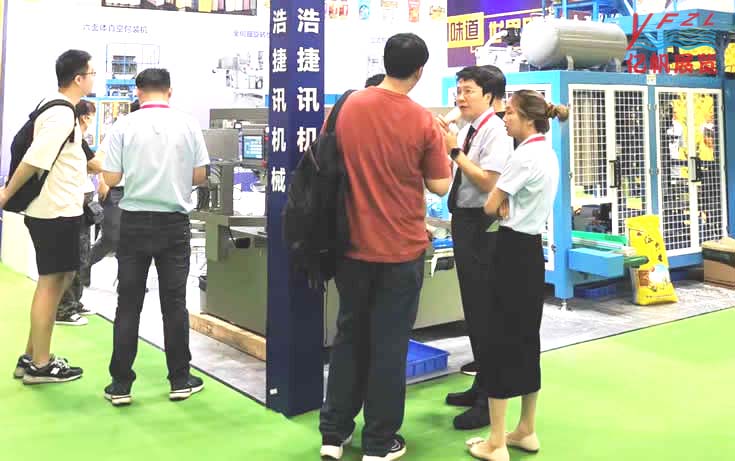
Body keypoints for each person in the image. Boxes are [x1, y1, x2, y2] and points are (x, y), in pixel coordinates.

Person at [319, 33, 451, 461]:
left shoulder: (346, 106)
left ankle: (333, 434)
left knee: (349, 337)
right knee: (389, 347)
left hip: (349, 246)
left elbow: (325, 158)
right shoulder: (422, 121)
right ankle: (378, 442)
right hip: (401, 251)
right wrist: (449, 148)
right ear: (420, 71)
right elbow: (440, 185)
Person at [464, 90, 567, 461]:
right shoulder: (548, 153)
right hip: (531, 252)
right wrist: (505, 200)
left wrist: (500, 202)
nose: (503, 118)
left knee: (498, 342)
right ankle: (526, 429)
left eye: (508, 112)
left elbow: (491, 205)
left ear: (527, 118)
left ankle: (496, 442)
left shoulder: (522, 156)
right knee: (525, 339)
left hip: (509, 253)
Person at [102, 69, 210, 406]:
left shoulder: (123, 126)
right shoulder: (188, 124)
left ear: (137, 92)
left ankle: (121, 384)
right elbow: (200, 175)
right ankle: (180, 379)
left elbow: (111, 177)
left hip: (134, 222)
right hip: (174, 223)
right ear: (170, 91)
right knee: (174, 304)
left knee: (128, 304)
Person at [1, 49, 95, 384]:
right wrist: (7, 193)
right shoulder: (61, 114)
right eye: (91, 74)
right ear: (78, 78)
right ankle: (41, 365)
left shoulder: (59, 109)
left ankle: (32, 356)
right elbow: (34, 159)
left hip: (59, 209)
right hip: (54, 211)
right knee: (51, 283)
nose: (94, 79)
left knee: (59, 279)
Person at [438, 65, 513, 430]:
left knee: (485, 313)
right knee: (473, 309)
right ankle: (480, 384)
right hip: (465, 223)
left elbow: (488, 183)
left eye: (468, 91)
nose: (460, 97)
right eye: (459, 90)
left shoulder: (495, 131)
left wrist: (455, 152)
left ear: (489, 96)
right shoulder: (472, 127)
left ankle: (488, 401)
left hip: (483, 228)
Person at [55, 99, 102, 326]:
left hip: (81, 202)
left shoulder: (79, 140)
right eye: (92, 114)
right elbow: (96, 165)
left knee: (81, 255)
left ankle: (74, 301)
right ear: (84, 116)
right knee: (74, 257)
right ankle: (64, 308)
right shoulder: (73, 139)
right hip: (71, 203)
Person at [86, 99, 140, 286]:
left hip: (138, 192)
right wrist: (103, 179)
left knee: (132, 240)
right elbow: (100, 156)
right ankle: (84, 266)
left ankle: (127, 280)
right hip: (115, 190)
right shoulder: (120, 129)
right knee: (111, 238)